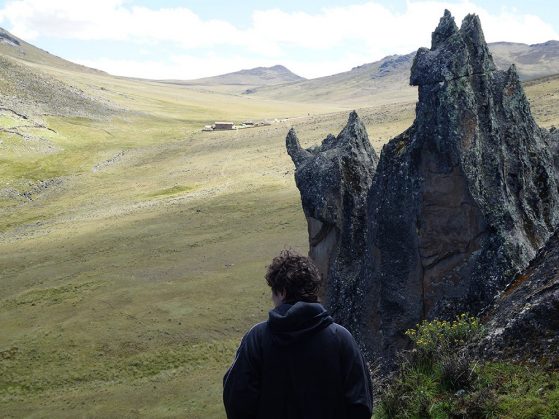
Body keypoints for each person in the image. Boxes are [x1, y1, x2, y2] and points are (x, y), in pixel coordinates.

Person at [223, 249, 373, 419]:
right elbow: (361, 405)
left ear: (283, 292)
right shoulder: (341, 339)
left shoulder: (257, 339)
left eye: (273, 292)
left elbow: (237, 401)